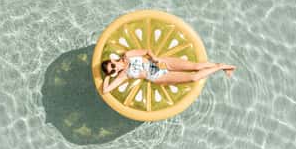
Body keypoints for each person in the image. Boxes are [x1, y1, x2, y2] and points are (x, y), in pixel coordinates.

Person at [100, 48, 234, 94]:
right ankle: (221, 67)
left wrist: (154, 58)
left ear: (112, 61)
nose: (114, 68)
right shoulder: (123, 75)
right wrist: (108, 76)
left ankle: (221, 66)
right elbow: (105, 90)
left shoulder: (127, 55)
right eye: (111, 70)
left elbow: (146, 51)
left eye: (112, 65)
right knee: (193, 78)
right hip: (158, 76)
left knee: (196, 66)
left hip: (162, 63)